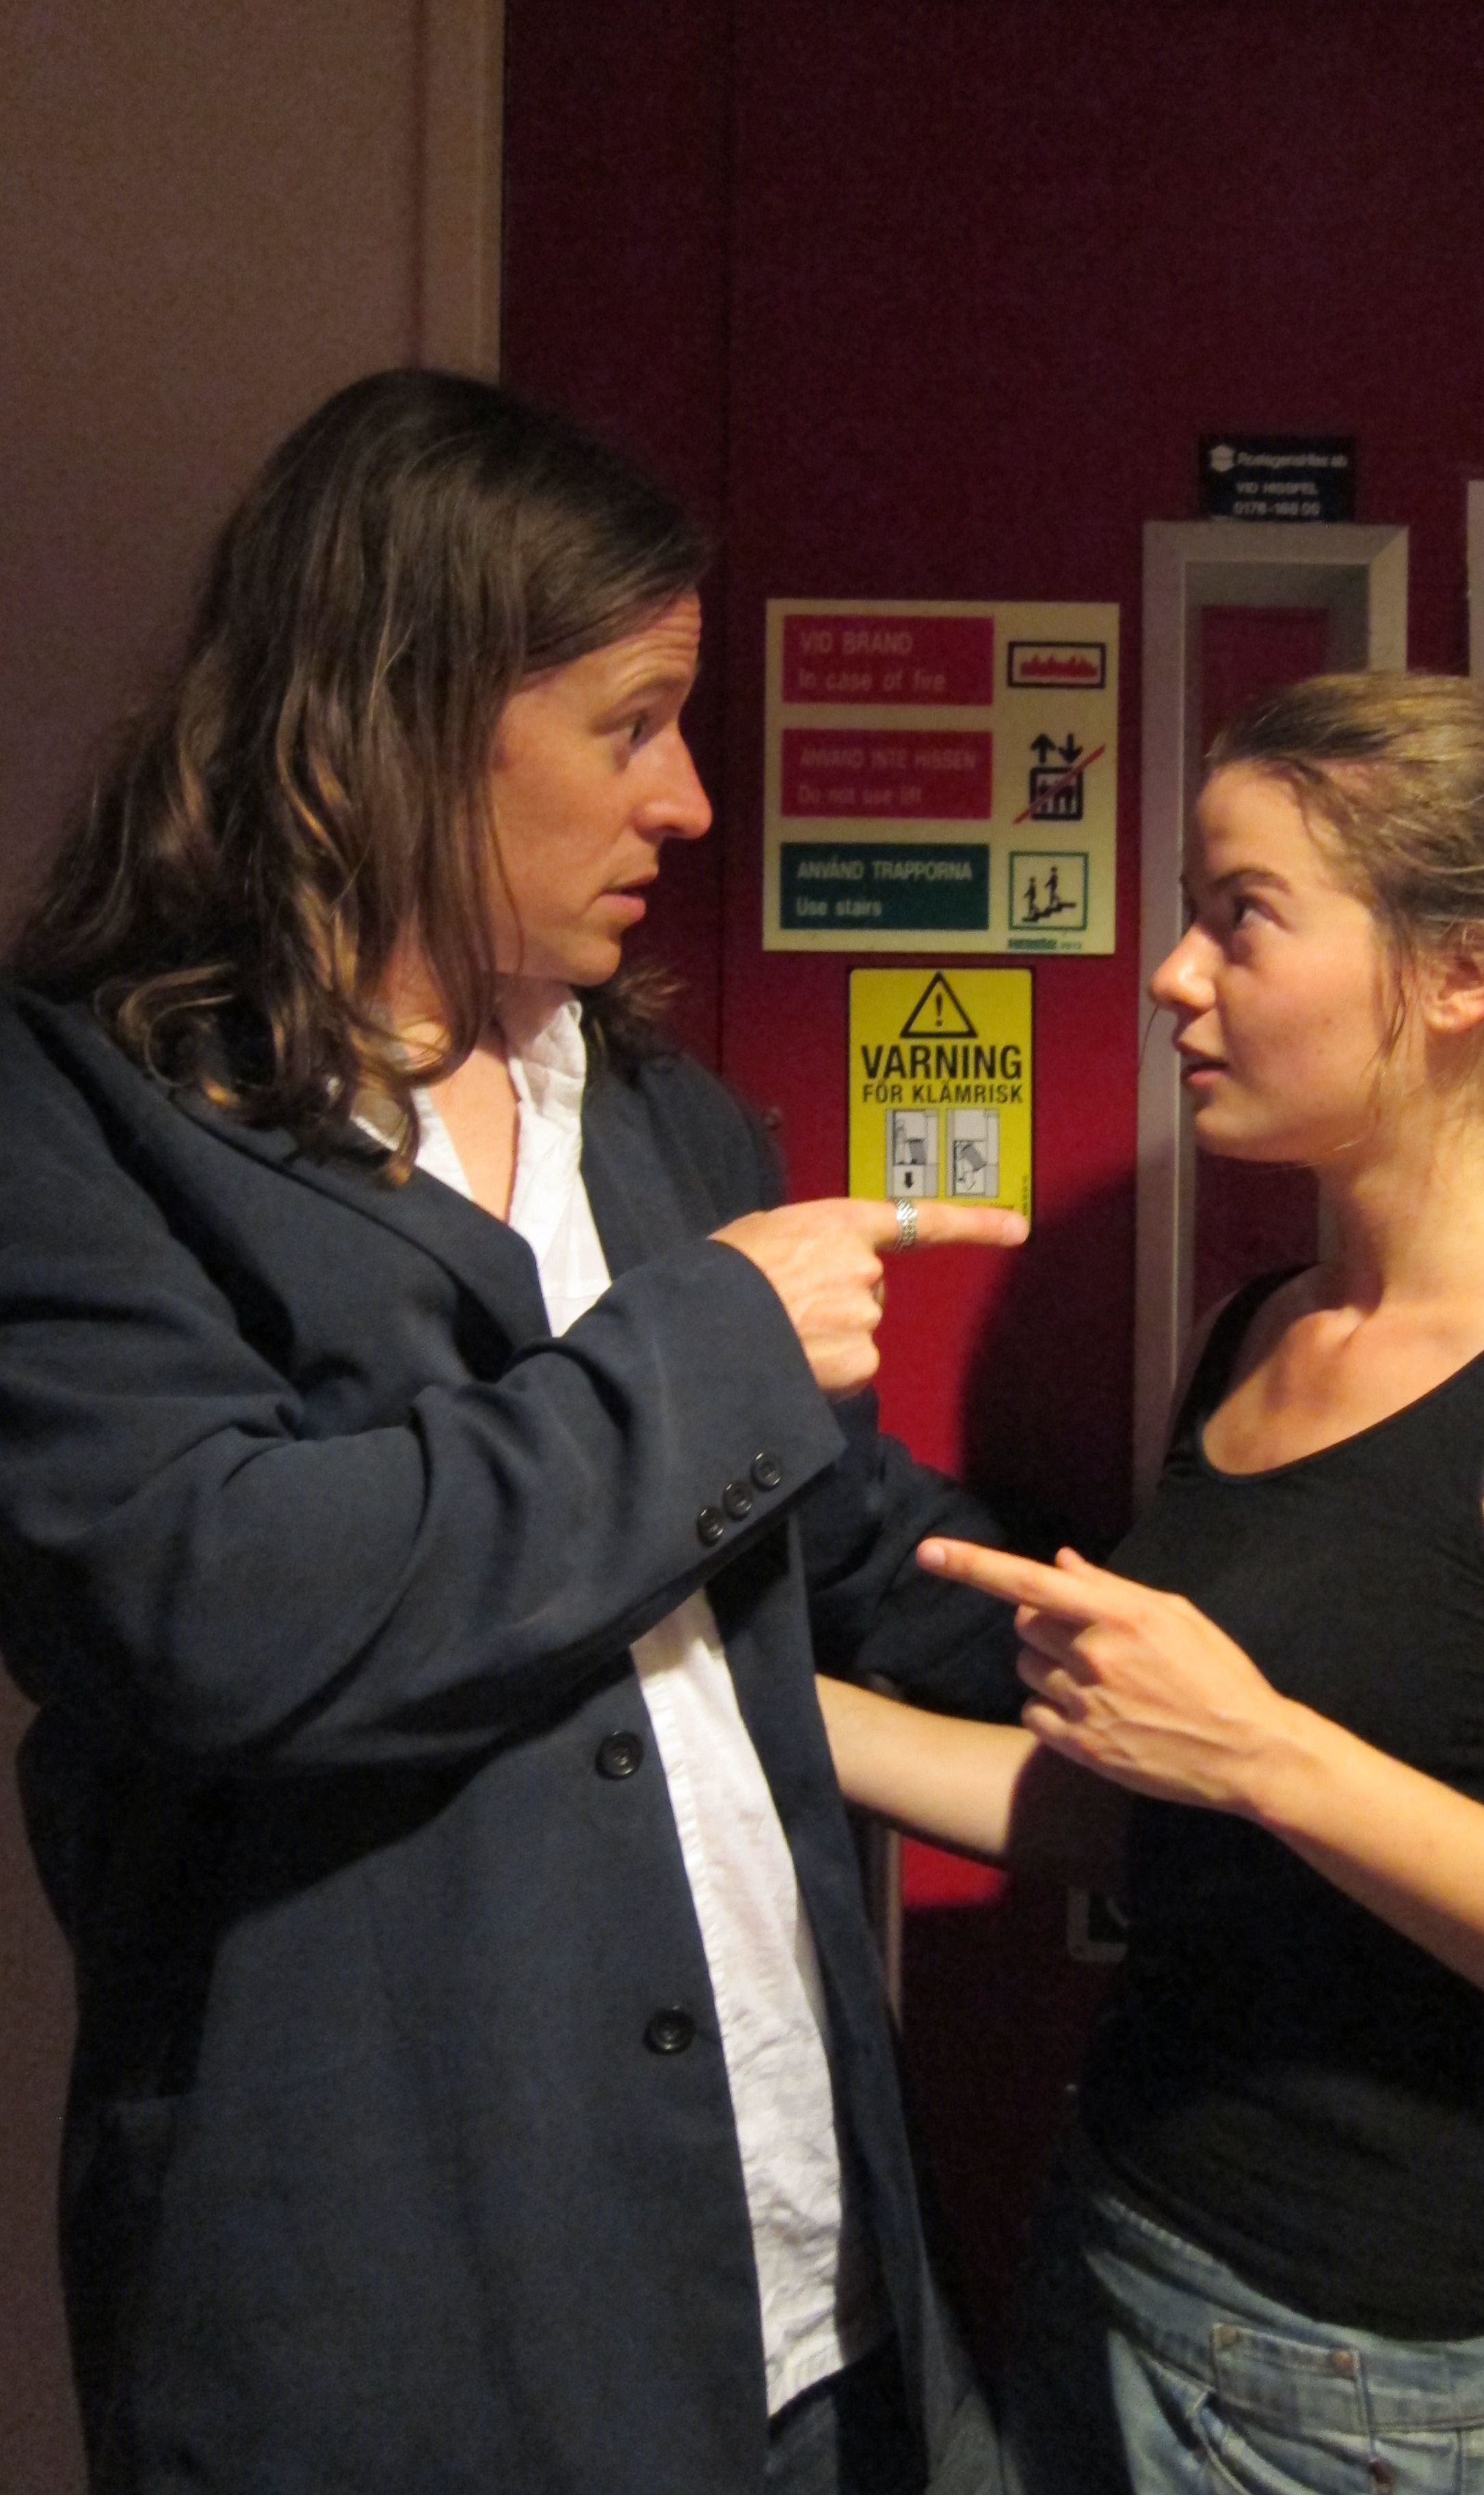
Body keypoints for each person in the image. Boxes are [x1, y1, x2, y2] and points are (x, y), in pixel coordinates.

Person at [0, 369, 1033, 2495]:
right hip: (396, 2347)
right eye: (632, 725)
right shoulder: (81, 1117)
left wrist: (1197, 1637)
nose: (692, 803)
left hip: (808, 2292)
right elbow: (209, 1601)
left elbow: (828, 1547)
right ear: (395, 716)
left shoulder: (664, 1120)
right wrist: (720, 1347)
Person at [819, 674, 1484, 2495]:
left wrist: (1271, 1754)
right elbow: (1157, 1817)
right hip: (1113, 2255)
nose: (1174, 976)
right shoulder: (1255, 1333)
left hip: (1386, 2401)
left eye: (1243, 918)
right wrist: (750, 1710)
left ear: (1463, 970)